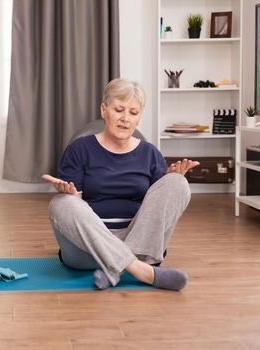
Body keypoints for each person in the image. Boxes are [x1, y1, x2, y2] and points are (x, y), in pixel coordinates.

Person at [42, 78, 199, 291]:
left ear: (139, 118)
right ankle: (142, 271)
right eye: (119, 110)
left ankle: (115, 269)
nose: (125, 119)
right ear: (104, 110)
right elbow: (75, 211)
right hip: (88, 250)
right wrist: (71, 194)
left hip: (140, 244)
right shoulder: (79, 149)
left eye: (133, 113)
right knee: (61, 204)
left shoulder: (150, 153)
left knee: (178, 183)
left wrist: (169, 181)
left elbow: (158, 211)